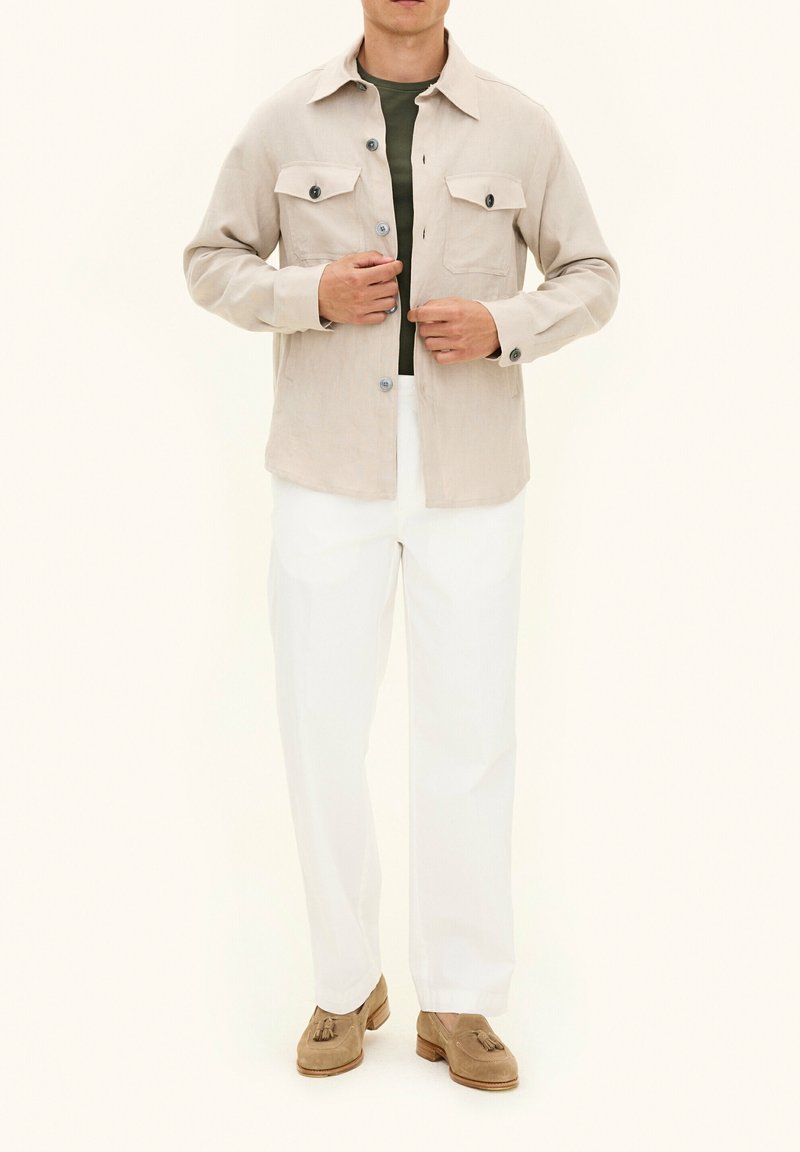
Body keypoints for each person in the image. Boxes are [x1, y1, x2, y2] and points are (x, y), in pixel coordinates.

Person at [183, 0, 619, 1092]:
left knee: (470, 735)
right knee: (320, 731)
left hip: (472, 470)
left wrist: (504, 324)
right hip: (326, 466)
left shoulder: (519, 123)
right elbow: (209, 261)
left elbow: (591, 275)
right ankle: (345, 984)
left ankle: (459, 999)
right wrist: (310, 295)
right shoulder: (285, 118)